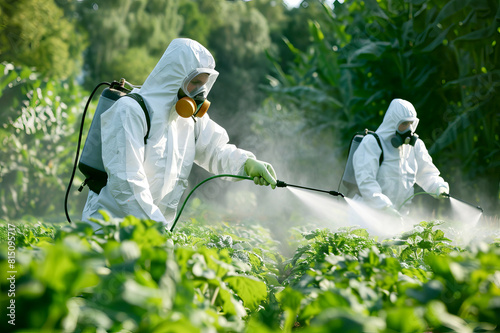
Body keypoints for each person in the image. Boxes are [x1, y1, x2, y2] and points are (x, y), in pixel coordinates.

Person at [82, 38, 277, 229]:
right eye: (195, 82)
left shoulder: (189, 120)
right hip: (109, 229)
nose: (201, 92)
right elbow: (126, 181)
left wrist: (246, 164)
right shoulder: (131, 110)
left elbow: (216, 151)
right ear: (175, 77)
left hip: (151, 233)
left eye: (204, 84)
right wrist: (156, 228)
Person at [352, 98, 449, 217]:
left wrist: (439, 187)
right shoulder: (372, 143)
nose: (409, 129)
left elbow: (426, 174)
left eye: (411, 123)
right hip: (367, 217)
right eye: (404, 124)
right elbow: (366, 181)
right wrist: (384, 207)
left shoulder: (415, 146)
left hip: (397, 219)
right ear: (393, 123)